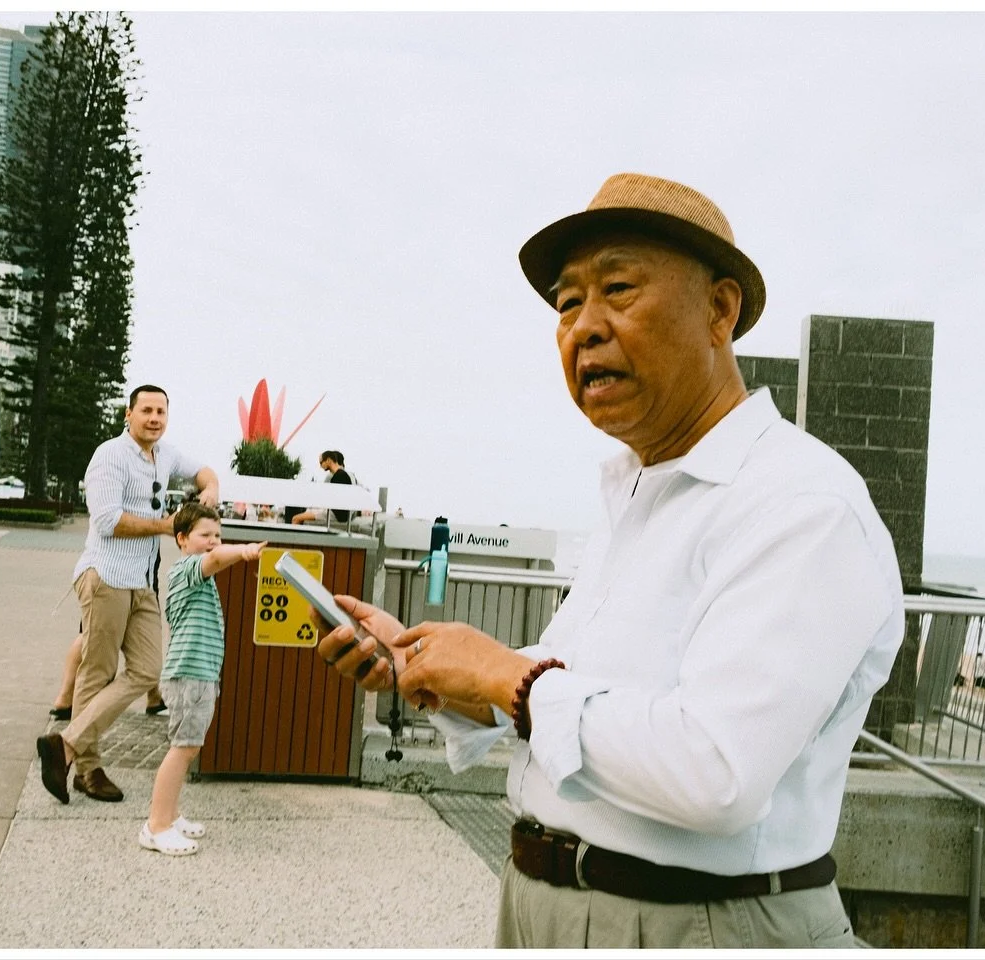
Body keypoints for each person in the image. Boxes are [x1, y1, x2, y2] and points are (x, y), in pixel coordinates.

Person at [314, 173, 904, 948]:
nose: (584, 328)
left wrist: (505, 676)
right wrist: (434, 669)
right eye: (567, 303)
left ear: (720, 310)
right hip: (551, 907)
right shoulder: (638, 488)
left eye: (618, 289)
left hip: (699, 923)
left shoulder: (801, 502)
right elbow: (584, 687)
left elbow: (716, 771)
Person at [36, 385, 220, 805]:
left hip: (142, 581)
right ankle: (87, 770)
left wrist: (209, 489)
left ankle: (67, 743)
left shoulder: (165, 454)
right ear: (128, 414)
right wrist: (166, 525)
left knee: (147, 670)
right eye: (146, 410)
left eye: (161, 411)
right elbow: (106, 521)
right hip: (106, 576)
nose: (154, 418)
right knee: (97, 672)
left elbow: (204, 471)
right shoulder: (110, 455)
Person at [139, 503, 265, 855]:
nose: (213, 541)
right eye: (205, 535)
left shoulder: (199, 577)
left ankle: (170, 815)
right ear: (182, 539)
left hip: (198, 674)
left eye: (218, 535)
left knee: (188, 747)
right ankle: (156, 826)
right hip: (189, 675)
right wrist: (243, 550)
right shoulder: (187, 569)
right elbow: (215, 559)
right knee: (183, 749)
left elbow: (214, 559)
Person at [290, 450, 354, 525]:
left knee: (296, 518)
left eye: (321, 462)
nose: (320, 466)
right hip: (338, 513)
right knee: (308, 511)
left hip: (336, 514)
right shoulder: (340, 475)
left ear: (328, 460)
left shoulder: (339, 476)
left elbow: (335, 500)